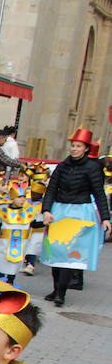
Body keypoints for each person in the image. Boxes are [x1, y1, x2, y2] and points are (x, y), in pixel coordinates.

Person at [41, 127, 111, 306]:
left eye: (78, 146)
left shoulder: (93, 167)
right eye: (73, 145)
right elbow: (51, 189)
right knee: (55, 253)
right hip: (59, 211)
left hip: (80, 213)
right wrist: (46, 210)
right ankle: (56, 289)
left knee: (68, 255)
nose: (74, 149)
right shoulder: (62, 165)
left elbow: (99, 194)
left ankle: (61, 293)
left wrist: (105, 218)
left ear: (86, 148)